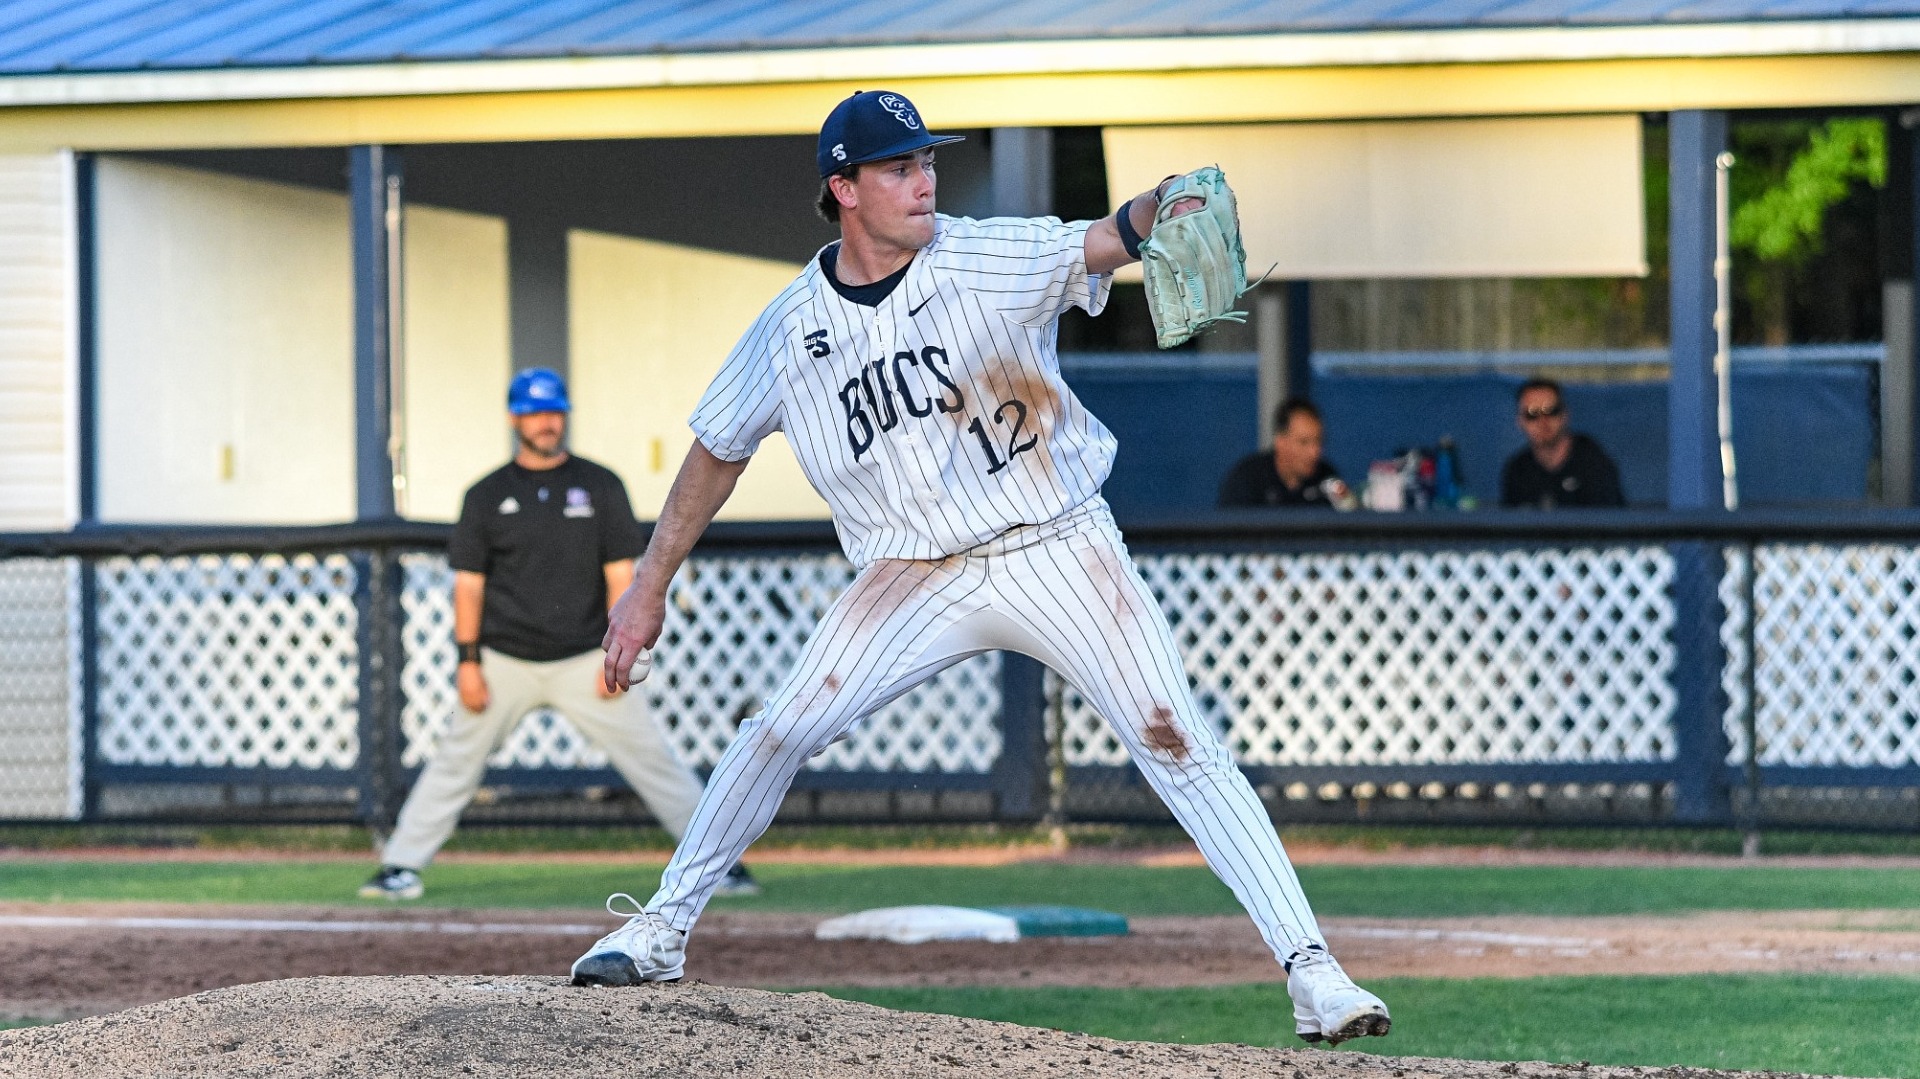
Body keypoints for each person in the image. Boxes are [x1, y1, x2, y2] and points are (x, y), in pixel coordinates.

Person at [565, 90, 1389, 1047]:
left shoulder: (983, 256)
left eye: (927, 162)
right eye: (899, 168)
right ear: (843, 189)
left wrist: (1157, 205)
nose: (925, 180)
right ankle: (662, 928)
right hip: (910, 575)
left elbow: (1100, 240)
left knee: (1175, 737)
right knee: (777, 728)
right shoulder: (791, 327)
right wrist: (648, 584)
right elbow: (716, 451)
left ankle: (1312, 972)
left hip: (1054, 542)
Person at [358, 368, 757, 901]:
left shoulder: (599, 484)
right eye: (535, 413)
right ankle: (400, 866)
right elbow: (468, 586)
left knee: (652, 758)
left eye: (554, 413)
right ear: (514, 418)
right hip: (505, 659)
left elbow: (622, 574)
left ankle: (718, 865)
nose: (546, 423)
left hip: (584, 657)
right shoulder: (485, 494)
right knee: (455, 761)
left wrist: (615, 653)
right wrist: (467, 662)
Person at [1499, 378, 1625, 509]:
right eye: (1532, 414)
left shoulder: (1593, 462)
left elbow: (1608, 523)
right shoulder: (1517, 470)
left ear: (1565, 415)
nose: (1543, 421)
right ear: (1520, 422)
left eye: (1551, 411)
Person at [1217, 398, 1354, 509]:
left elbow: (1348, 525)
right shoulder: (1247, 480)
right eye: (1303, 442)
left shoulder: (1327, 477)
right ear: (1280, 442)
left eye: (1319, 441)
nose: (1314, 452)